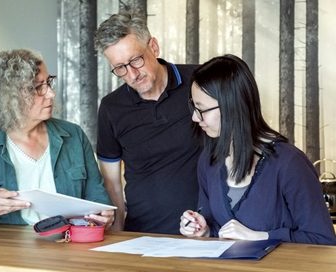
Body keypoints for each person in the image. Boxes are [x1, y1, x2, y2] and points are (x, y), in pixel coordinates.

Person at [0, 49, 114, 231]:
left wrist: (103, 216)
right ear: (9, 97)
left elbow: (99, 201)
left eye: (49, 83)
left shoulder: (73, 135)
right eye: (38, 87)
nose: (51, 94)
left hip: (67, 249)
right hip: (5, 253)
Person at [179, 54, 336, 245]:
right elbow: (218, 231)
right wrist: (203, 230)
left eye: (201, 109)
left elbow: (324, 241)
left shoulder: (290, 164)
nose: (195, 118)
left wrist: (262, 237)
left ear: (232, 107)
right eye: (193, 107)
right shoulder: (209, 160)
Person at [94, 10, 203, 234]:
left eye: (135, 60)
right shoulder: (111, 108)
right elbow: (112, 184)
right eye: (120, 68)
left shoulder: (199, 82)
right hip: (142, 234)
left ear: (153, 47)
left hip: (206, 230)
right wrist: (117, 236)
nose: (132, 74)